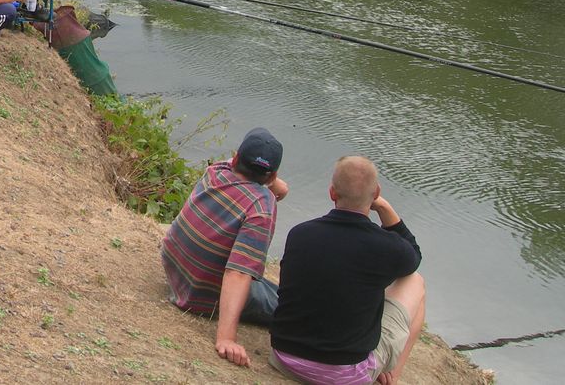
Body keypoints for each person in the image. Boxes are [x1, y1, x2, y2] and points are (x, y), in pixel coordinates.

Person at [269, 157, 425, 385]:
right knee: (415, 281)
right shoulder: (387, 247)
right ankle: (392, 375)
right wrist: (384, 207)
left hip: (285, 358)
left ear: (332, 192)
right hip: (345, 376)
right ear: (376, 192)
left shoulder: (300, 233)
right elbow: (414, 257)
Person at [161, 128, 289, 369]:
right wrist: (226, 338)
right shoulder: (261, 204)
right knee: (292, 306)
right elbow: (238, 273)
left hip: (175, 270)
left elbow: (277, 186)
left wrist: (274, 184)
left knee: (270, 288)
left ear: (236, 157)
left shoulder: (217, 170)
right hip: (200, 292)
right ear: (272, 175)